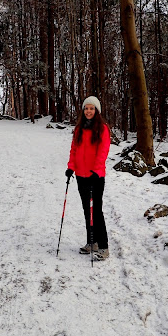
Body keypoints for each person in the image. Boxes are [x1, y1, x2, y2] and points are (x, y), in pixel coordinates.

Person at [65, 96, 111, 261]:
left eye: (91, 108)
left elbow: (103, 151)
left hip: (96, 176)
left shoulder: (103, 128)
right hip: (81, 175)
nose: (88, 111)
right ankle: (92, 243)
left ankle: (103, 246)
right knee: (87, 210)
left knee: (96, 211)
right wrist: (71, 167)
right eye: (86, 108)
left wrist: (96, 170)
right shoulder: (79, 129)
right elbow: (74, 150)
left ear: (96, 110)